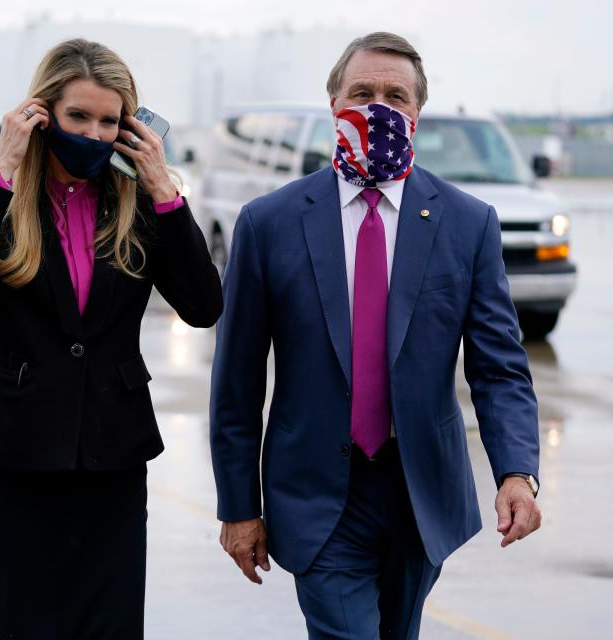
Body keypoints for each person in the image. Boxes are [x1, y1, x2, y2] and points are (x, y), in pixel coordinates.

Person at [210, 32, 542, 639]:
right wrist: (239, 507)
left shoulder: (468, 224)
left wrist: (517, 471)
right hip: (315, 491)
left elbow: (499, 368)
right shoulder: (268, 223)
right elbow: (235, 384)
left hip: (421, 494)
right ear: (334, 102)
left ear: (417, 114)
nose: (378, 106)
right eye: (361, 92)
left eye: (396, 95)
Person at [0, 38, 222, 638]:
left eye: (109, 121)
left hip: (112, 457)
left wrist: (165, 188)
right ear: (43, 114)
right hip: (18, 453)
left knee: (109, 627)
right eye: (78, 117)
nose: (93, 134)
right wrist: (3, 167)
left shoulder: (141, 203)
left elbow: (203, 306)